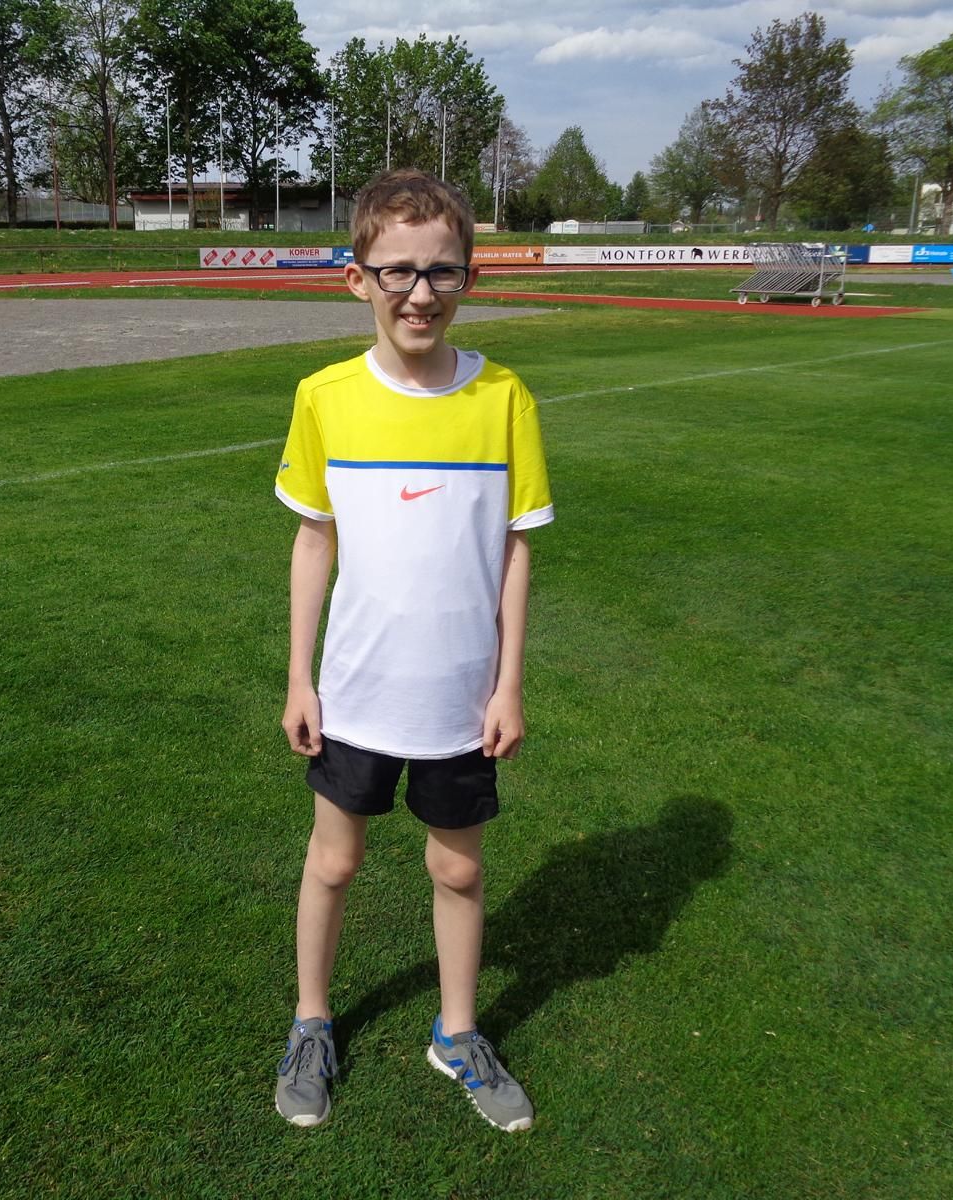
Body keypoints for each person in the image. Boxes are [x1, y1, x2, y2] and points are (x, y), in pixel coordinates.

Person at [272, 169, 554, 1132]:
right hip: (355, 689)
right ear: (357, 279)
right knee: (334, 861)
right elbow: (314, 539)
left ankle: (457, 1033)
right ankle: (312, 1021)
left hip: (460, 696)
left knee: (459, 871)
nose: (421, 293)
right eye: (397, 271)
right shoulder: (324, 396)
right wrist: (299, 676)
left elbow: (516, 549)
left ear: (471, 275)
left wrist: (508, 684)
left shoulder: (505, 397)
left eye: (442, 271)